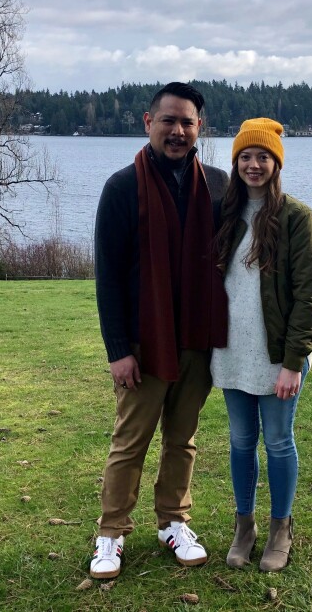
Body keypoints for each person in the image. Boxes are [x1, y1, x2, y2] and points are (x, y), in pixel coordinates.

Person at [89, 82, 229, 579]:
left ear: (200, 128)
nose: (177, 130)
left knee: (183, 438)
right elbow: (107, 275)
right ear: (148, 123)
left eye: (187, 122)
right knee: (131, 441)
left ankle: (173, 520)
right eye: (168, 120)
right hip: (144, 342)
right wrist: (118, 349)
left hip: (196, 337)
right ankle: (111, 532)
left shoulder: (217, 185)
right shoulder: (122, 187)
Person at [210, 117, 312, 573]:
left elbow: (310, 296)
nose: (253, 165)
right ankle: (245, 526)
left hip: (278, 356)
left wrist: (294, 362)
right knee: (240, 442)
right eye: (245, 156)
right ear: (235, 161)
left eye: (263, 157)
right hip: (232, 351)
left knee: (277, 442)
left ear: (276, 163)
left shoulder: (297, 218)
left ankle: (281, 528)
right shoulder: (225, 215)